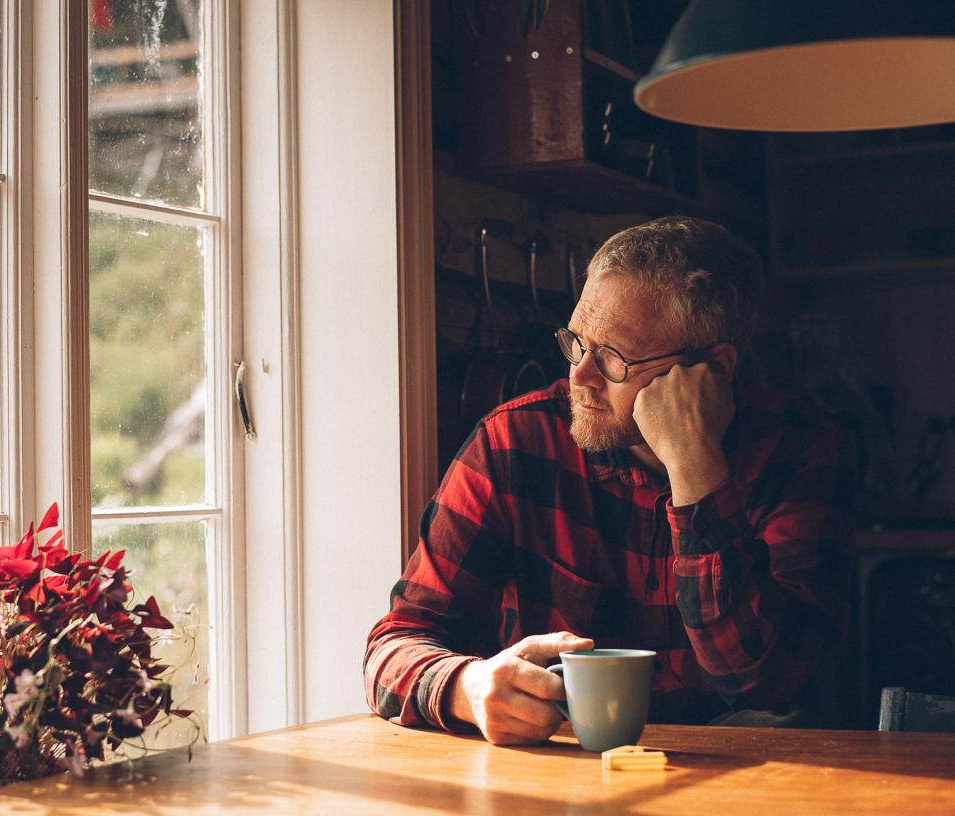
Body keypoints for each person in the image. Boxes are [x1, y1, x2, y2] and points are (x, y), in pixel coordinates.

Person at [365, 216, 857, 744]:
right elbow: (394, 645)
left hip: (735, 775)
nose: (579, 375)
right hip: (552, 777)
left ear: (714, 367)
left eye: (614, 359)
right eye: (576, 343)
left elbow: (765, 684)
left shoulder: (804, 452)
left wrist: (694, 466)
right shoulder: (514, 441)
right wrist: (468, 686)